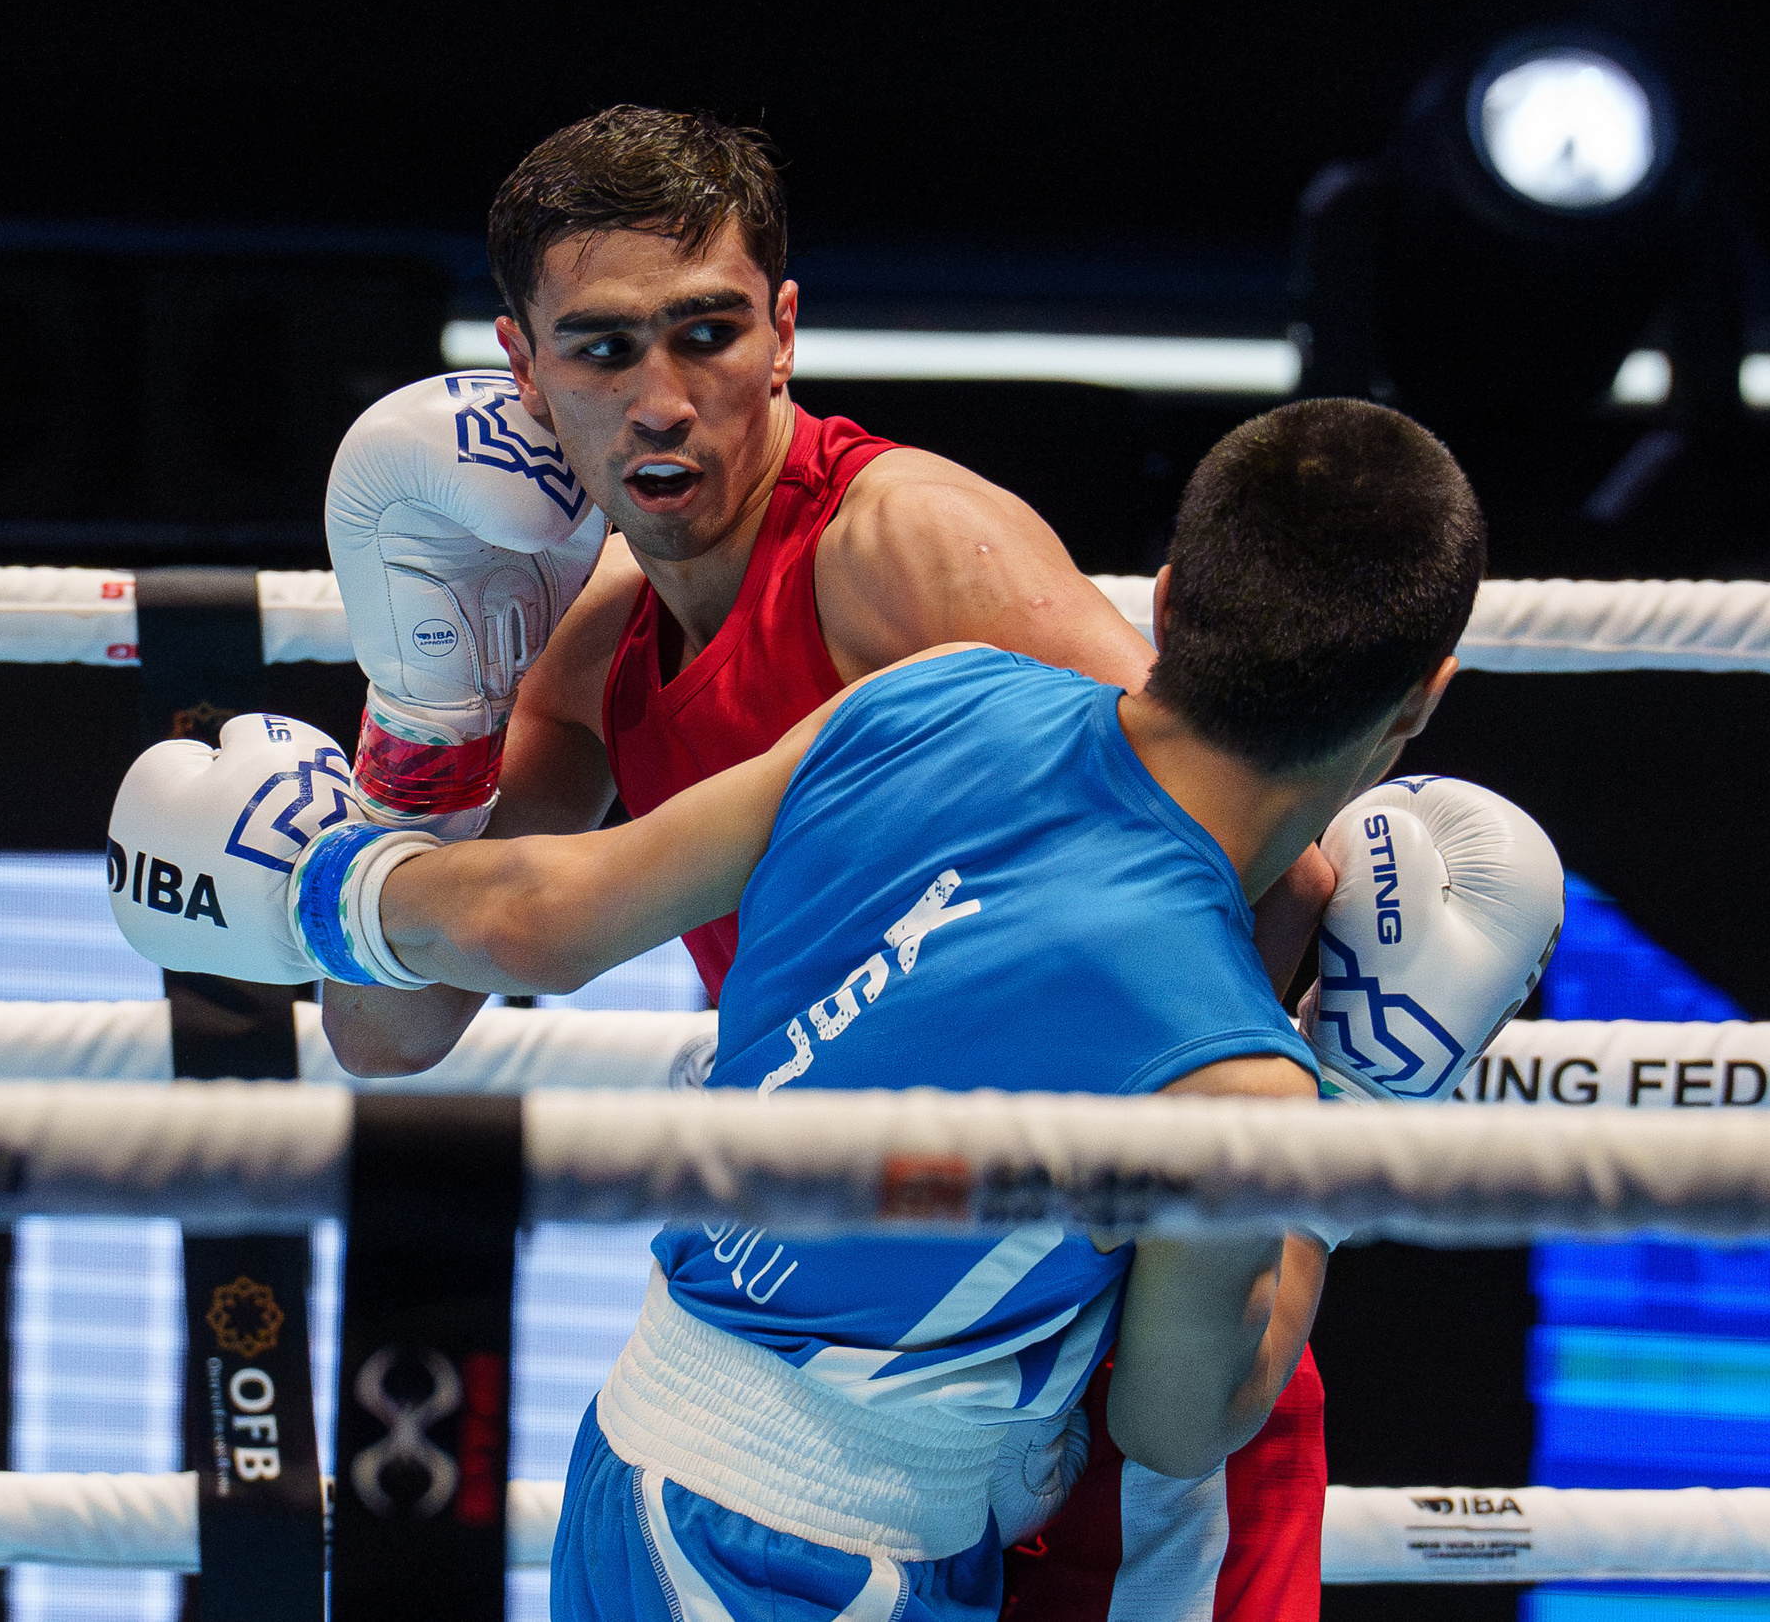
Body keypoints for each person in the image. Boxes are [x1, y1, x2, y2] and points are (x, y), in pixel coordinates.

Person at [105, 399, 1564, 1621]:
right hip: (815, 1563)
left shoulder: (938, 694)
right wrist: (1354, 1120)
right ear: (1420, 702)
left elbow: (554, 915)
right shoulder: (1237, 1085)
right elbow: (1178, 1419)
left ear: (1168, 595)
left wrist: (322, 884)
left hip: (636, 1470)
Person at [315, 105, 1340, 1617]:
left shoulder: (904, 551)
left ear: (784, 333)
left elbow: (1269, 864)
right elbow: (387, 1027)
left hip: (1104, 1359)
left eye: (708, 333)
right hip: (867, 1398)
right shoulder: (597, 640)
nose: (662, 401)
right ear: (521, 374)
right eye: (602, 351)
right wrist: (425, 709)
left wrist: (1108, 1267)